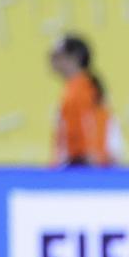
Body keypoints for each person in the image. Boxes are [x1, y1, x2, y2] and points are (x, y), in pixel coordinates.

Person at [51, 34, 113, 167]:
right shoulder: (80, 88)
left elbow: (89, 133)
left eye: (57, 55)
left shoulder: (81, 91)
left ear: (75, 57)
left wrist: (88, 162)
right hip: (81, 166)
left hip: (81, 168)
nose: (52, 60)